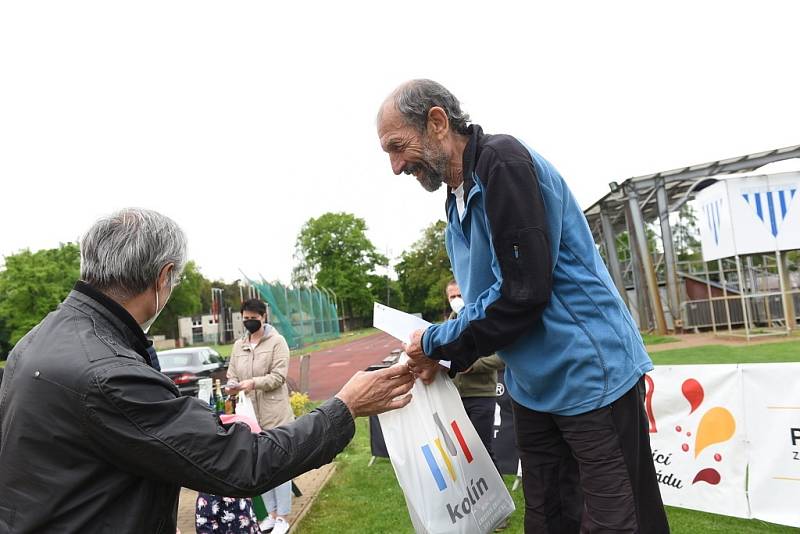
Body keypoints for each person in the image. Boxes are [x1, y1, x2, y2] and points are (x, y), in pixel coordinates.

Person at [0, 208, 413, 532]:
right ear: (163, 276)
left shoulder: (36, 341)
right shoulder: (107, 372)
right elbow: (242, 462)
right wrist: (345, 407)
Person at [377, 80, 669, 533]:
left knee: (618, 521)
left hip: (589, 375)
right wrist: (444, 355)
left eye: (398, 147)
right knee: (548, 517)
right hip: (532, 386)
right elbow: (484, 304)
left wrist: (436, 342)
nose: (396, 166)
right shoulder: (455, 202)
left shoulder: (502, 162)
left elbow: (522, 292)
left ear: (437, 122)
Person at [226, 299, 294, 534]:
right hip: (250, 415)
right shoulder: (239, 345)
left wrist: (253, 383)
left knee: (279, 466)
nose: (249, 321)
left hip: (275, 414)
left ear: (264, 317)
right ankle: (271, 514)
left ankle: (284, 516)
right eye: (245, 318)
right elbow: (231, 373)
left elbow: (278, 377)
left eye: (253, 317)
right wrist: (233, 385)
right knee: (260, 465)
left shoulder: (277, 342)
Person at [446, 280, 503, 467]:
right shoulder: (448, 325)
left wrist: (474, 366)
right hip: (455, 398)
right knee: (461, 452)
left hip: (481, 396)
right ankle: (469, 494)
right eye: (452, 296)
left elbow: (503, 358)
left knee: (482, 451)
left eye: (459, 295)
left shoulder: (486, 320)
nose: (456, 300)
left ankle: (499, 495)